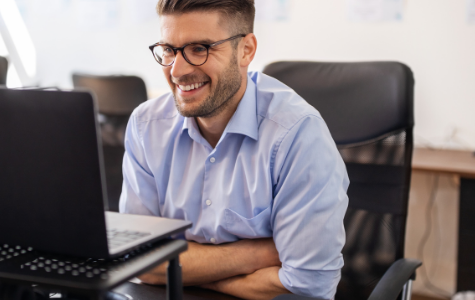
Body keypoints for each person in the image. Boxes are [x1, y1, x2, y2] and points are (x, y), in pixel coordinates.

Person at [120, 0, 349, 299]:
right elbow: (138, 261)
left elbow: (308, 286)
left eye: (199, 49)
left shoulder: (297, 134)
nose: (177, 70)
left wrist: (186, 276)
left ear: (246, 50)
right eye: (168, 50)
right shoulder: (146, 125)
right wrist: (256, 255)